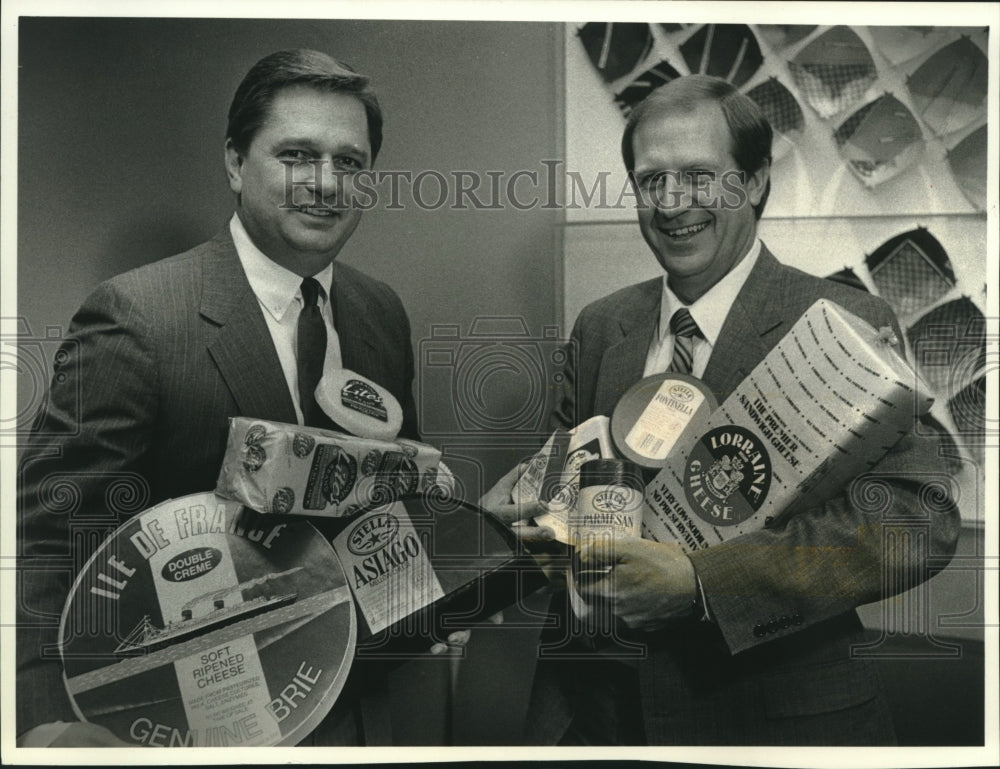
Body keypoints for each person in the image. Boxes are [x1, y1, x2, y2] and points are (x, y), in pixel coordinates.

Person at [483, 74, 960, 745]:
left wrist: (704, 583)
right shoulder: (602, 326)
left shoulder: (846, 322)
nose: (673, 203)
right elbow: (567, 498)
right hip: (597, 718)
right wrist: (527, 516)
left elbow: (916, 521)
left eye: (699, 176)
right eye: (652, 180)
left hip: (771, 722)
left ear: (756, 181)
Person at [17, 49, 418, 747]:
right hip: (181, 720)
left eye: (349, 163)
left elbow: (394, 510)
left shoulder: (380, 312)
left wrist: (478, 529)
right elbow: (51, 541)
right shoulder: (137, 316)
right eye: (296, 154)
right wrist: (48, 726)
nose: (325, 183)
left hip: (352, 713)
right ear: (235, 162)